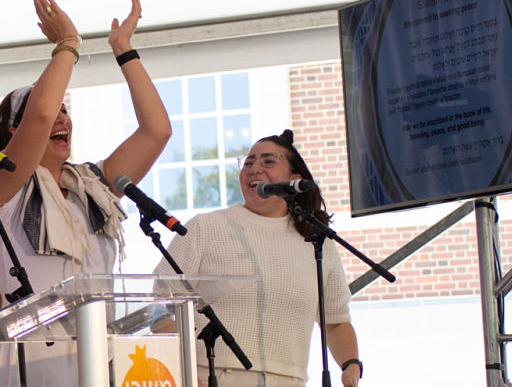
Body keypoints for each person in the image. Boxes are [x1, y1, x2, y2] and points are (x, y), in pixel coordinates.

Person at [0, 0, 172, 386]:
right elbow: (39, 114)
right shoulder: (2, 180)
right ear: (13, 133)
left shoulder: (92, 185)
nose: (60, 118)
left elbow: (156, 130)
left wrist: (123, 50)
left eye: (65, 112)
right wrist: (67, 45)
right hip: (28, 366)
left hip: (97, 360)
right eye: (54, 111)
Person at [153, 130, 363, 387]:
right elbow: (159, 307)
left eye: (268, 161)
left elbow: (335, 320)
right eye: (248, 162)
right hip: (211, 377)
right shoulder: (204, 228)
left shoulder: (317, 240)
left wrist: (351, 364)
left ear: (295, 179)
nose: (254, 169)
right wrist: (184, 372)